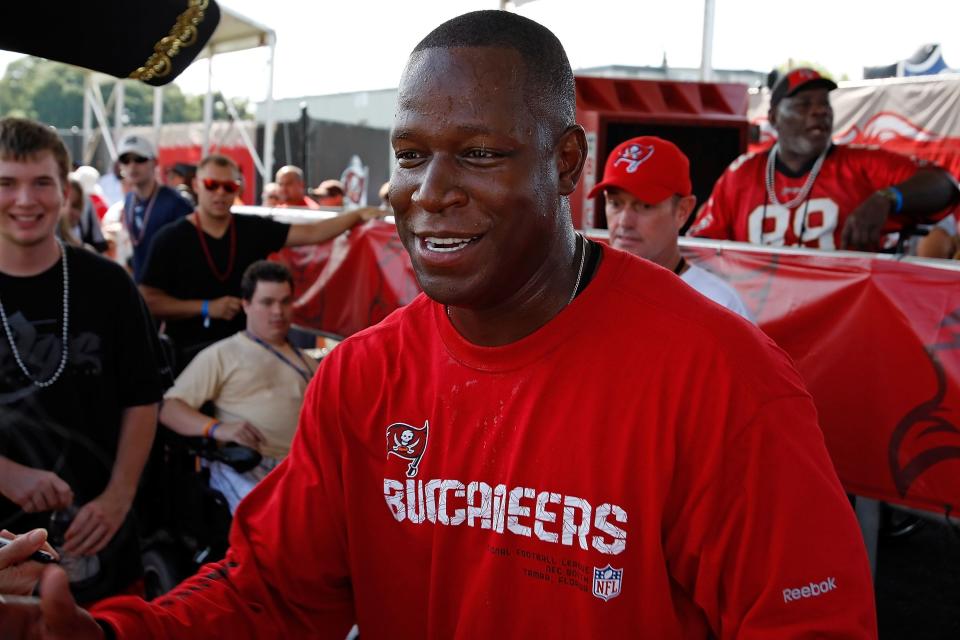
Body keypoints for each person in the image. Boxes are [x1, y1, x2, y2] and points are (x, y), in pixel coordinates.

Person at [3, 12, 876, 639]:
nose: (430, 190)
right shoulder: (363, 376)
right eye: (411, 154)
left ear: (566, 162)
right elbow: (274, 593)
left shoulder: (724, 382)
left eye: (481, 153)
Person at [0, 117, 164, 605]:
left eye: (41, 183)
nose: (25, 200)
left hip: (99, 537)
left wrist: (118, 497)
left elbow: (143, 397)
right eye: (6, 183)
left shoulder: (109, 284)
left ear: (65, 190)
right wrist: (7, 474)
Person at [138, 154, 381, 369]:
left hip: (251, 352)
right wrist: (205, 307)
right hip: (190, 352)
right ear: (196, 185)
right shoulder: (170, 238)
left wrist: (356, 215)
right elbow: (148, 301)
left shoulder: (251, 228)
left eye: (229, 186)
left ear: (237, 190)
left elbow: (312, 234)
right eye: (212, 185)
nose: (220, 193)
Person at [690, 67, 958, 251]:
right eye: (804, 105)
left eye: (824, 104)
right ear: (773, 118)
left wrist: (887, 198)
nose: (819, 111)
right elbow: (702, 246)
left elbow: (945, 185)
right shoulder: (742, 174)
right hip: (756, 318)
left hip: (840, 323)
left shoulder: (861, 164)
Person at [159, 260, 316, 513]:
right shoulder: (222, 354)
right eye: (267, 302)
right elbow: (168, 408)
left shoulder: (310, 362)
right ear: (246, 304)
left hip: (306, 467)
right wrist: (216, 428)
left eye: (285, 301)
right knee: (276, 523)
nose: (278, 311)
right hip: (250, 466)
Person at [591, 136, 753, 321]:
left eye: (645, 206)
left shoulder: (720, 303)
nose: (624, 221)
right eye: (615, 203)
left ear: (683, 211)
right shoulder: (580, 291)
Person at [116, 134, 193, 282]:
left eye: (140, 159)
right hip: (141, 288)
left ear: (155, 162)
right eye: (125, 160)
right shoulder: (129, 200)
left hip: (169, 292)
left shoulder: (177, 204)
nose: (132, 165)